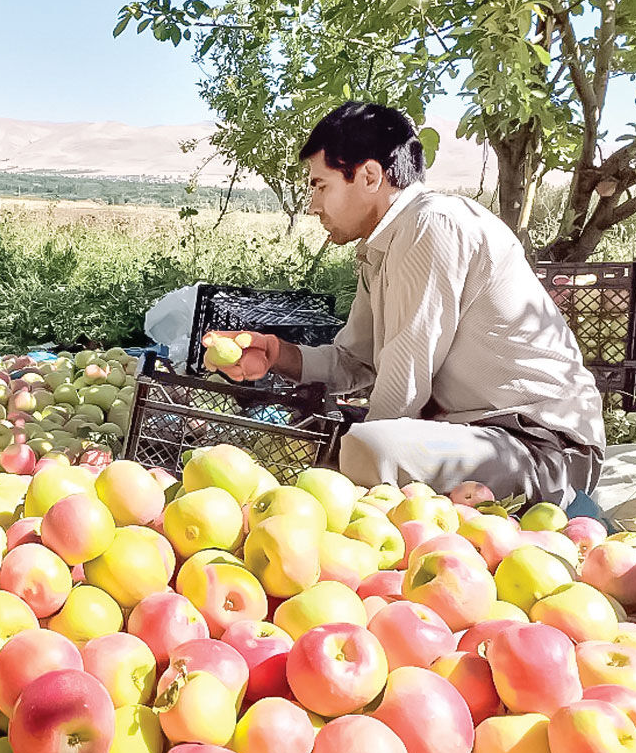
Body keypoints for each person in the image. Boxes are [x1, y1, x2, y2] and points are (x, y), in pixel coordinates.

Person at [204, 101, 604, 507]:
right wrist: (277, 354)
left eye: (321, 186)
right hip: (469, 433)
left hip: (542, 448)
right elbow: (354, 362)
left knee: (369, 445)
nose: (313, 206)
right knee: (336, 435)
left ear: (370, 175)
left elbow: (403, 387)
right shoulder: (382, 247)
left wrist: (355, 470)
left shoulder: (431, 225)